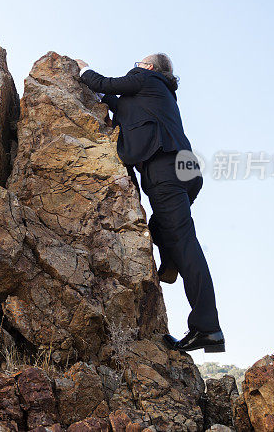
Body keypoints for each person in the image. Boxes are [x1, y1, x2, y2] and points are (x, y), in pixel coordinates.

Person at [75, 54, 224, 353]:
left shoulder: (145, 78)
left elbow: (106, 83)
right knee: (166, 230)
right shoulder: (154, 93)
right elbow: (118, 102)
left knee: (185, 244)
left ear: (149, 67)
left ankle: (208, 329)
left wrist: (83, 69)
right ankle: (170, 262)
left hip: (164, 166)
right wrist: (103, 95)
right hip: (183, 169)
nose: (135, 65)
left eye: (139, 62)